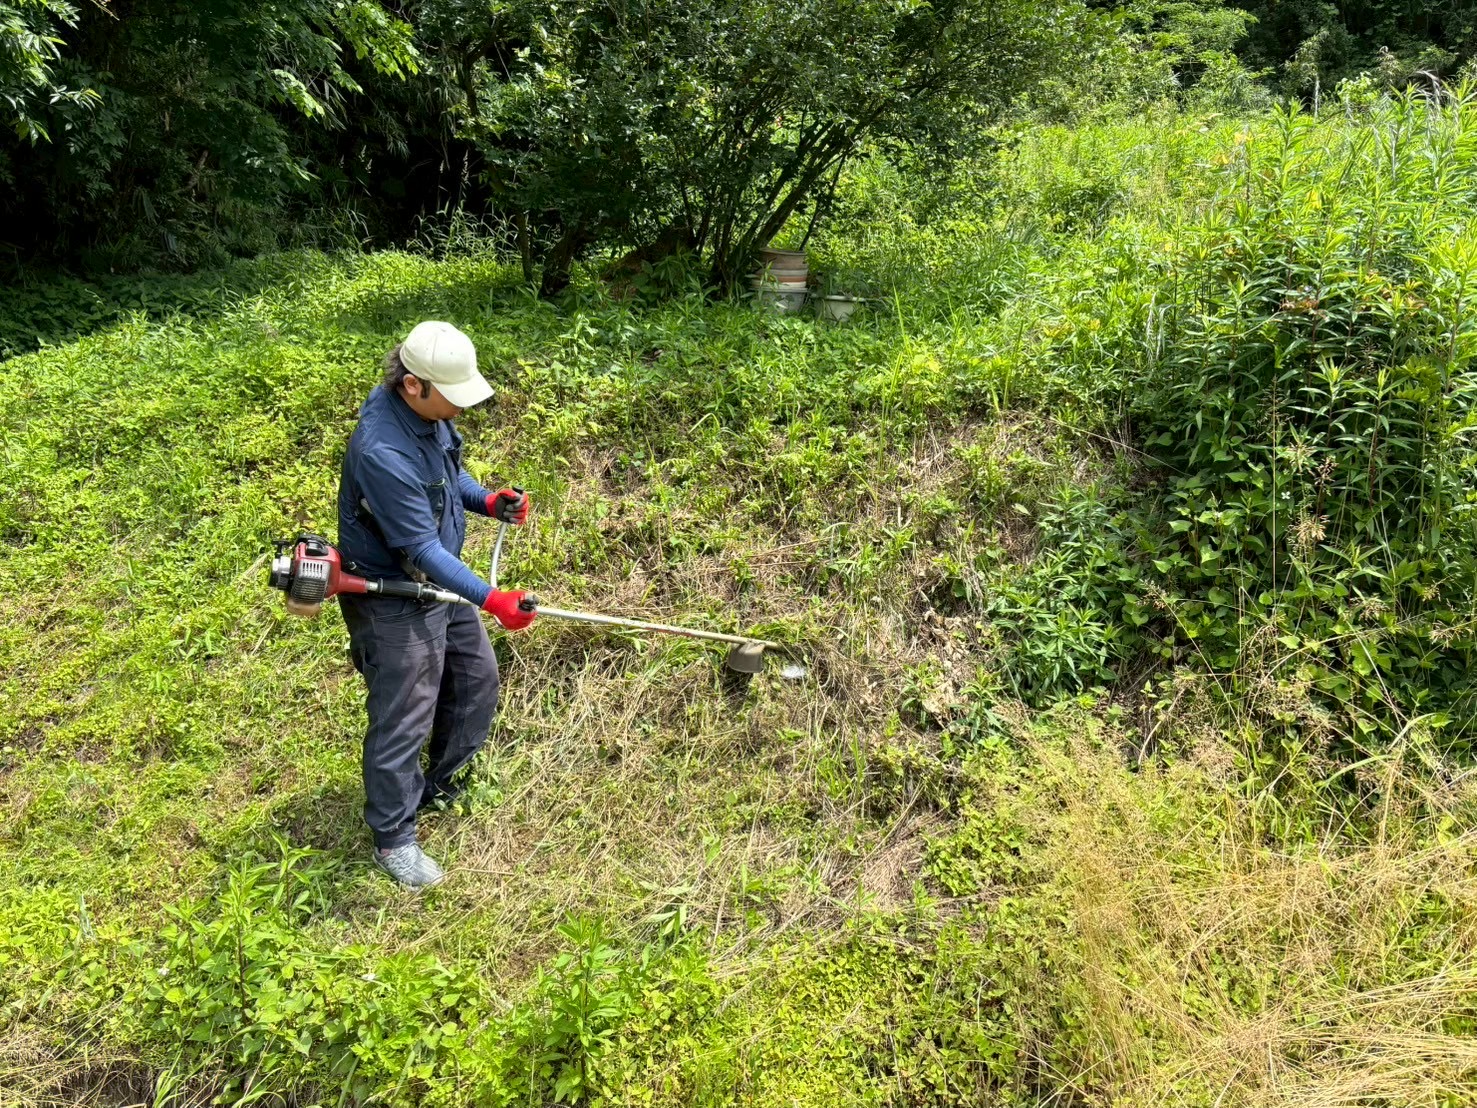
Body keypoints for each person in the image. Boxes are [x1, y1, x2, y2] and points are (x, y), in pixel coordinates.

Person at [337, 320, 537, 889]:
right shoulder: (381, 449)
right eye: (452, 394)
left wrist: (487, 500)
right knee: (405, 716)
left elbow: (450, 478)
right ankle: (394, 839)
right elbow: (420, 546)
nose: (460, 407)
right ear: (413, 385)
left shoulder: (432, 418)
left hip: (441, 585)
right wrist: (494, 598)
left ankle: (440, 786)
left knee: (476, 681)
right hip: (396, 597)